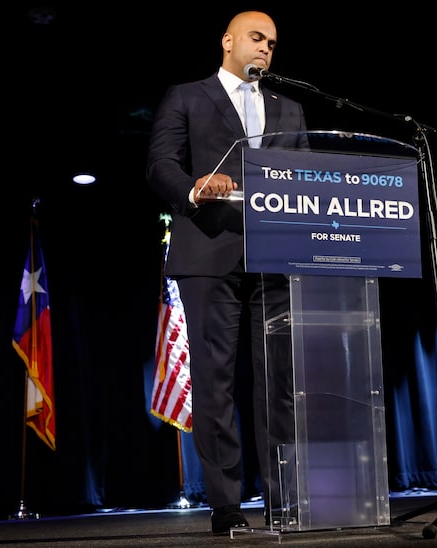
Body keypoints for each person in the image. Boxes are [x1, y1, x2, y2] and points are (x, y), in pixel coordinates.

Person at [146, 11, 309, 534]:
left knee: (279, 385)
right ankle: (226, 506)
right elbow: (160, 165)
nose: (265, 48)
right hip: (210, 252)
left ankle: (284, 501)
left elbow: (306, 181)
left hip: (275, 258)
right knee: (216, 385)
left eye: (273, 43)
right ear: (228, 41)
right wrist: (196, 187)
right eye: (257, 38)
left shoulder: (292, 108)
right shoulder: (188, 96)